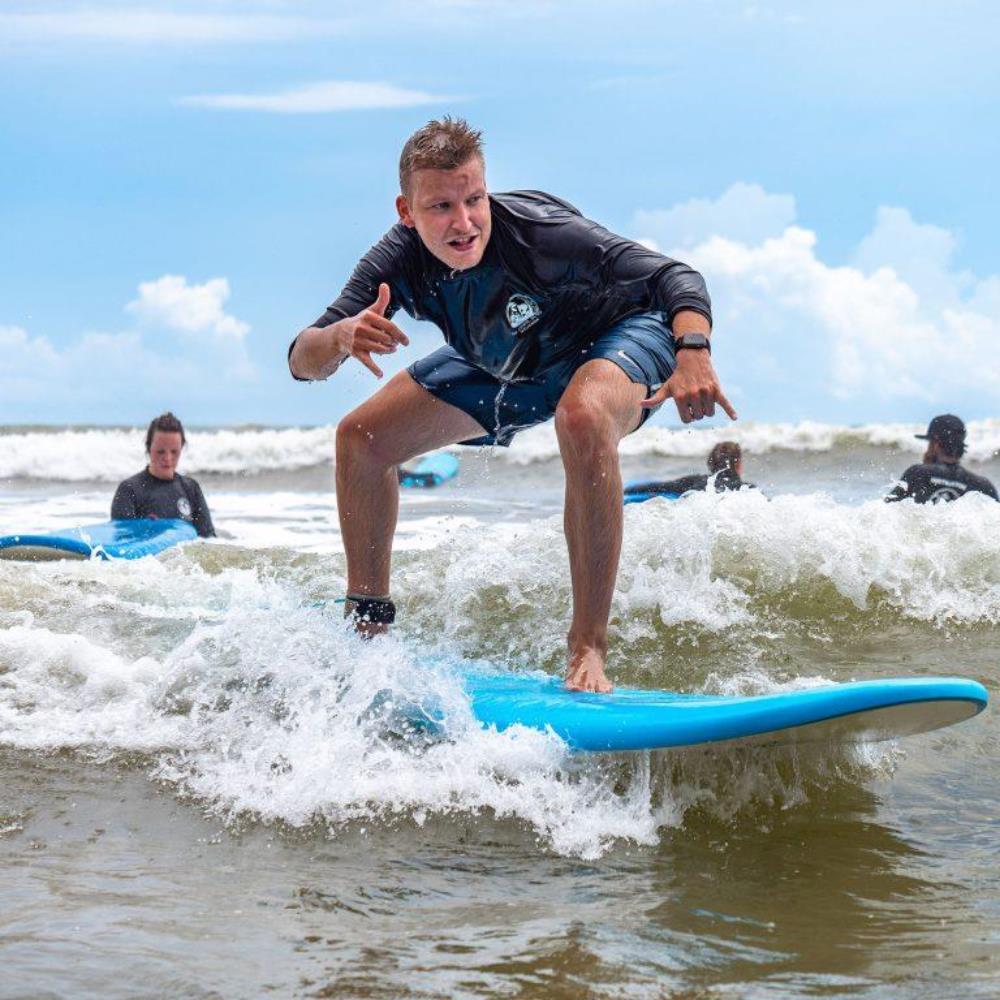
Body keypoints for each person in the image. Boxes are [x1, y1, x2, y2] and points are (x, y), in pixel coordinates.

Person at [288, 117, 734, 693]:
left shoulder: (541, 234)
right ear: (407, 211)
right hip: (513, 363)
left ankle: (588, 648)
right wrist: (340, 337)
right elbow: (302, 359)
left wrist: (693, 350)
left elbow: (676, 277)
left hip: (621, 335)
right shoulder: (395, 262)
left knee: (582, 415)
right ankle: (367, 633)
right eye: (441, 207)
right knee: (361, 438)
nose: (464, 223)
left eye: (474, 199)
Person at [111, 412, 216, 536]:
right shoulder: (129, 490)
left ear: (181, 449)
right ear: (149, 448)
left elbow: (208, 538)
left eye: (174, 451)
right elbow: (122, 542)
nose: (168, 458)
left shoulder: (191, 488)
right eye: (160, 451)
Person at [885, 414, 997, 504]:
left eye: (929, 443)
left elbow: (887, 511)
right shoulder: (983, 486)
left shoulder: (917, 473)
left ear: (936, 445)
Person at [625, 441, 752, 498]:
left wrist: (625, 490)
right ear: (738, 464)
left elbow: (658, 487)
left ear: (711, 463)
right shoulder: (750, 490)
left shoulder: (695, 481)